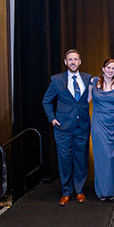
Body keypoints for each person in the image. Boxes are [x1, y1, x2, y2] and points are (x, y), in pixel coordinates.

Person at [42, 49, 91, 206]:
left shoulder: (88, 78)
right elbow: (46, 101)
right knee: (64, 160)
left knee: (81, 159)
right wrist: (52, 119)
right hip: (63, 128)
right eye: (70, 59)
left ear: (80, 61)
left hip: (82, 127)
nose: (73, 62)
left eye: (76, 59)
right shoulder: (56, 80)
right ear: (65, 62)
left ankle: (80, 191)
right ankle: (66, 192)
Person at [88, 59, 114, 201]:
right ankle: (102, 191)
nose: (110, 70)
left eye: (113, 68)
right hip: (98, 123)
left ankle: (113, 188)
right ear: (103, 68)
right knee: (102, 157)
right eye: (108, 67)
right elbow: (85, 100)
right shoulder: (93, 82)